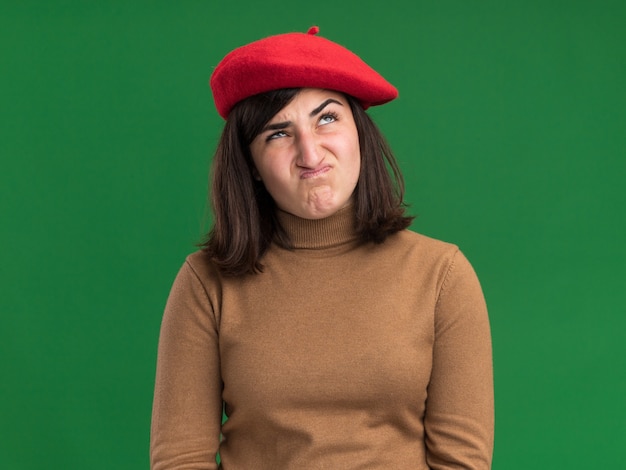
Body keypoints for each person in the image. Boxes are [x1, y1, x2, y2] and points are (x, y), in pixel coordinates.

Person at [150, 26, 494, 469]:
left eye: (327, 118)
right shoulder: (206, 281)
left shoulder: (442, 274)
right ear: (250, 164)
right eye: (278, 133)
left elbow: (461, 461)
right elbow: (181, 459)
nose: (310, 154)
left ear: (360, 133)